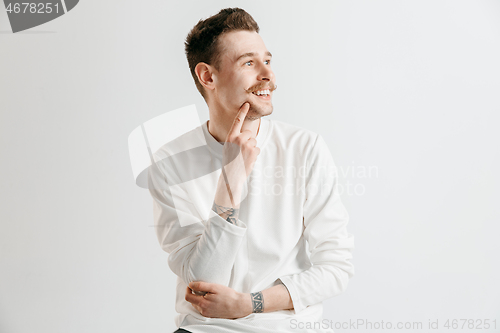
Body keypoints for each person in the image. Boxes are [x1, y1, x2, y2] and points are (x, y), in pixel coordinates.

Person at [147, 7, 354, 333]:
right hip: (206, 328)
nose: (268, 76)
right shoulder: (170, 163)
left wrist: (250, 304)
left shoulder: (304, 148)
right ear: (208, 77)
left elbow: (337, 267)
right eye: (249, 63)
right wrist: (232, 177)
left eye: (267, 61)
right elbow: (204, 280)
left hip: (289, 327)